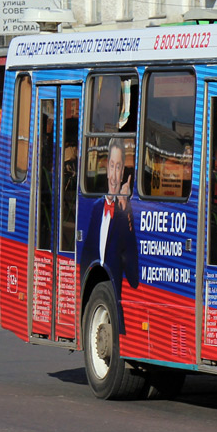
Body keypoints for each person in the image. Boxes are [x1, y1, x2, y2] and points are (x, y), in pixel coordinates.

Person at [77, 137, 139, 333]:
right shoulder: (96, 210)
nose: (113, 175)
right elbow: (86, 258)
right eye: (111, 166)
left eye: (118, 167)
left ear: (123, 175)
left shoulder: (125, 215)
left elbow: (134, 277)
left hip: (118, 322)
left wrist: (126, 212)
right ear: (106, 169)